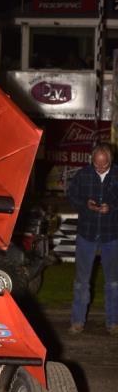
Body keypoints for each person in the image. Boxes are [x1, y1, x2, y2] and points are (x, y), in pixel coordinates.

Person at [67, 142, 118, 335]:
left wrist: (111, 208)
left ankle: (113, 322)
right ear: (92, 160)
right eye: (96, 164)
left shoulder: (117, 175)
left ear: (110, 161)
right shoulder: (83, 175)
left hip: (112, 235)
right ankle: (77, 321)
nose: (100, 168)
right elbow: (71, 195)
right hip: (86, 234)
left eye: (104, 165)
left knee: (113, 282)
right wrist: (84, 204)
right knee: (81, 281)